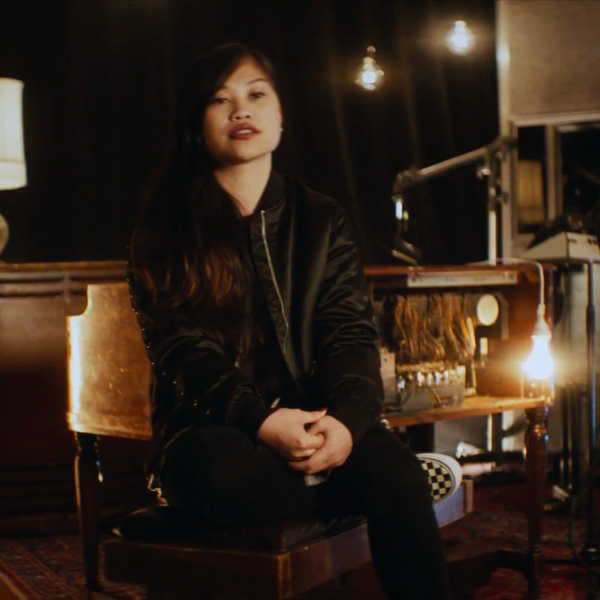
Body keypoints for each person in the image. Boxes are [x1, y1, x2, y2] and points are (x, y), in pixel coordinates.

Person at [128, 42, 449, 599]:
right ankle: (391, 483)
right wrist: (262, 421)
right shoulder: (163, 228)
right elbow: (183, 352)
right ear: (197, 123)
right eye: (220, 100)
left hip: (318, 417)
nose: (241, 110)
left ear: (280, 116)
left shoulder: (322, 218)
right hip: (210, 432)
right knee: (223, 476)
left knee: (391, 472)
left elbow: (349, 334)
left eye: (256, 95)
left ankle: (390, 478)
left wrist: (347, 422)